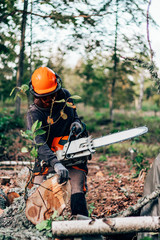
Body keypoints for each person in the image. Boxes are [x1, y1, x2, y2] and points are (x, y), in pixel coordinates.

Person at [27, 66, 89, 218]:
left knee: (77, 186)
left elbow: (75, 117)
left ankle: (82, 227)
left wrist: (77, 124)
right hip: (47, 154)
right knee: (37, 192)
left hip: (71, 148)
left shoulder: (65, 96)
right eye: (44, 97)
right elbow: (39, 143)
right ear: (35, 94)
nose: (49, 100)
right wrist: (55, 163)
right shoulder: (34, 113)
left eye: (51, 94)